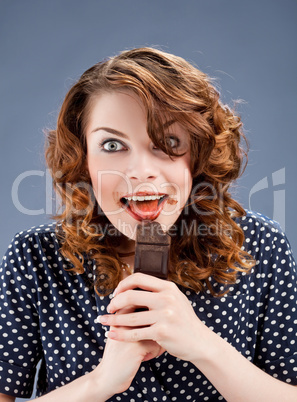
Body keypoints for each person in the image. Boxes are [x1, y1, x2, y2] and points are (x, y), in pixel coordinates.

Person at [0, 47, 296, 402]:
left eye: (169, 142)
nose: (140, 171)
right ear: (83, 160)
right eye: (112, 144)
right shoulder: (36, 257)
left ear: (198, 154)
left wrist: (203, 346)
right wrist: (100, 382)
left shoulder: (259, 246)